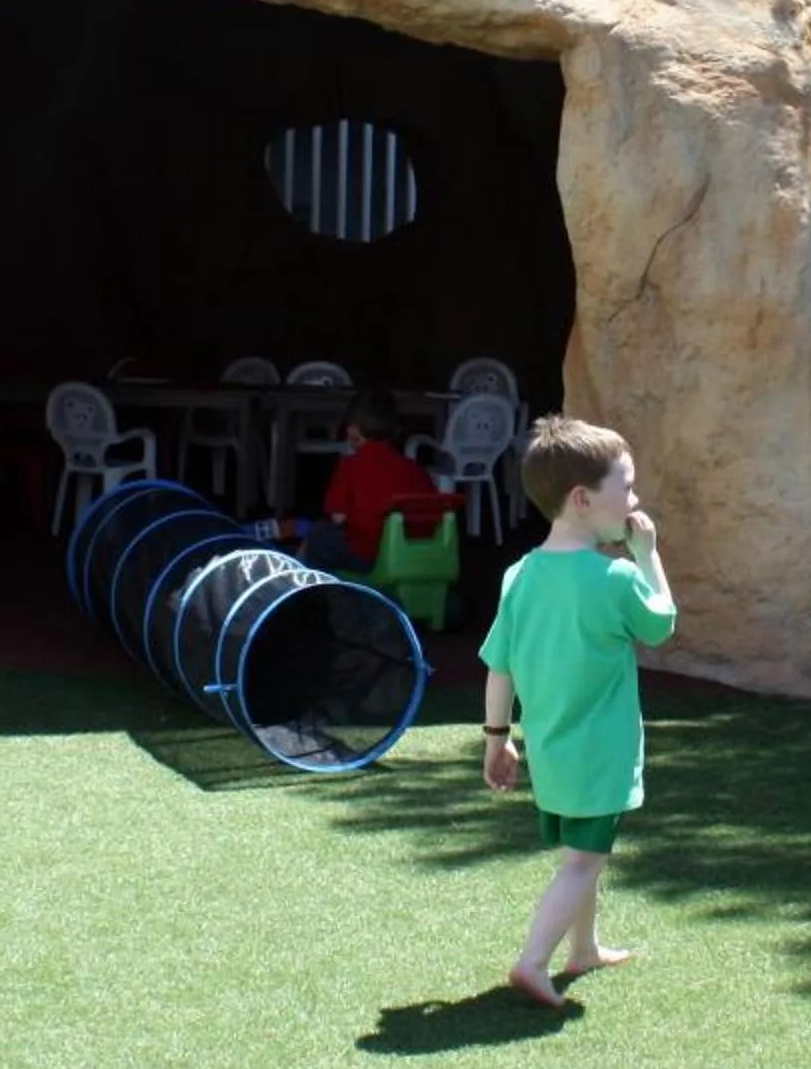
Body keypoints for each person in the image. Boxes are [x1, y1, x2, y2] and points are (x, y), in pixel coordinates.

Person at [479, 414, 675, 1007]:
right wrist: (648, 554)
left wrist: (496, 738)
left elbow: (499, 666)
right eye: (628, 485)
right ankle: (533, 961)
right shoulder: (615, 578)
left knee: (585, 852)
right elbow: (662, 622)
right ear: (583, 499)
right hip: (601, 753)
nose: (635, 499)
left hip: (552, 750)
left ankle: (582, 948)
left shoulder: (519, 575)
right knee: (584, 861)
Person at [246, 389, 431, 572]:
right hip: (412, 555)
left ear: (353, 431)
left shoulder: (351, 465)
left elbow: (338, 517)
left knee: (319, 533)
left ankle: (304, 584)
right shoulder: (414, 468)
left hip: (368, 557)